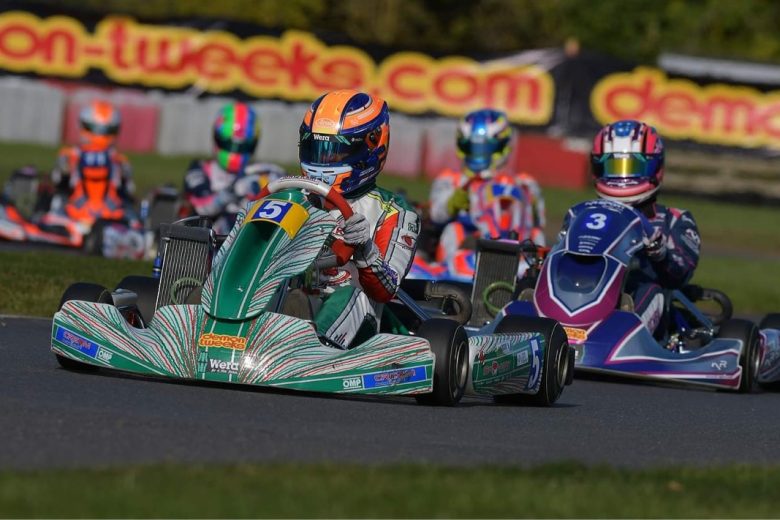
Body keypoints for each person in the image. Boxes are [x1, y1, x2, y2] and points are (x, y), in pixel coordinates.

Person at [297, 89, 420, 349]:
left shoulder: (394, 212)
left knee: (347, 295)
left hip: (356, 326)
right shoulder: (292, 196)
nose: (324, 161)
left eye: (336, 152)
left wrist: (366, 249)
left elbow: (385, 290)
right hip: (291, 301)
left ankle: (311, 348)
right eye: (316, 149)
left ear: (372, 147)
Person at [579, 119, 701, 335]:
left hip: (644, 305)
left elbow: (679, 276)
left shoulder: (674, 220)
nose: (622, 177)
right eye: (613, 167)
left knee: (651, 289)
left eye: (632, 167)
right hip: (588, 292)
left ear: (656, 168)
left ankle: (622, 338)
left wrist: (660, 254)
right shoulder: (584, 215)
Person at [428, 108, 546, 264]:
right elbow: (435, 215)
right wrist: (454, 201)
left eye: (485, 148)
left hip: (518, 248)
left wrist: (529, 201)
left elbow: (539, 223)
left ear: (502, 146)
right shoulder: (452, 179)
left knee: (537, 234)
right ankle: (452, 268)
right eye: (473, 148)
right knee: (454, 230)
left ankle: (533, 268)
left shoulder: (524, 183)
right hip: (472, 247)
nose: (478, 154)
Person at [183, 101, 285, 233]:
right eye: (228, 144)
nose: (234, 150)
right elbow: (202, 207)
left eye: (242, 146)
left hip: (252, 234)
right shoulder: (199, 171)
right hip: (209, 238)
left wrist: (264, 190)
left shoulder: (264, 172)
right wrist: (232, 192)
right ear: (217, 139)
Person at [51, 99, 135, 218]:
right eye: (95, 128)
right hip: (71, 210)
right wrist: (66, 170)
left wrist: (123, 174)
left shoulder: (119, 159)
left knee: (129, 205)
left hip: (112, 213)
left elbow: (128, 189)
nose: (100, 134)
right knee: (54, 196)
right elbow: (57, 181)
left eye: (106, 130)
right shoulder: (70, 154)